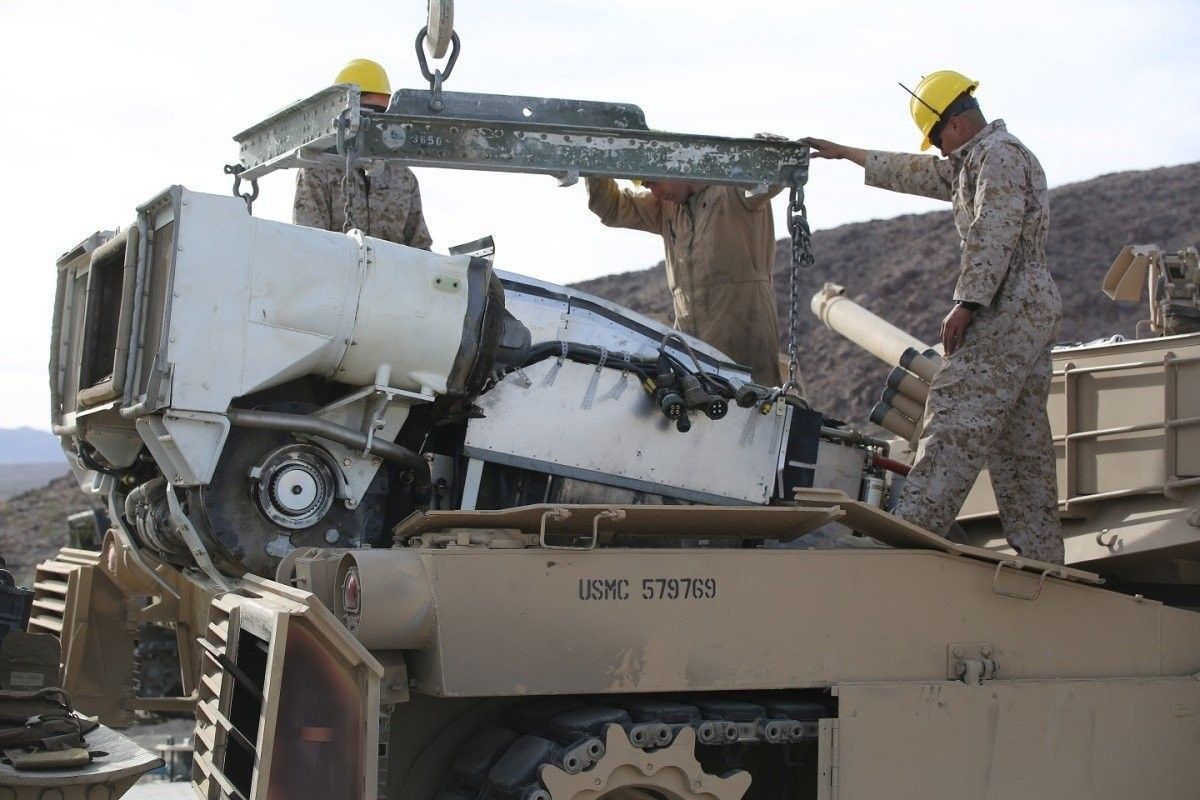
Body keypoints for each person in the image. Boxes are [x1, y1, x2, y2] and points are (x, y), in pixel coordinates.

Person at [803, 70, 1064, 564]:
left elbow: (995, 230)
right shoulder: (974, 161)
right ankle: (1043, 560)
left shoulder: (1000, 156)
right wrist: (846, 152)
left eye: (938, 136)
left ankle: (909, 539)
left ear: (958, 123)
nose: (938, 150)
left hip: (1007, 310)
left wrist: (967, 303)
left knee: (954, 416)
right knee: (1019, 443)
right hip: (1025, 311)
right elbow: (913, 171)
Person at [584, 149, 787, 387]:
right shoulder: (667, 208)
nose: (656, 193)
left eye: (654, 183)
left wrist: (768, 146)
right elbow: (610, 207)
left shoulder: (735, 191)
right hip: (691, 354)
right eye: (648, 187)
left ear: (677, 166)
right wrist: (595, 156)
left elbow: (772, 175)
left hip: (744, 344)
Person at [293, 59, 433, 249]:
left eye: (381, 114)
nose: (372, 123)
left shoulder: (403, 178)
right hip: (334, 277)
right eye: (366, 113)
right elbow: (306, 245)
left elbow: (420, 249)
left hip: (389, 278)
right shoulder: (317, 172)